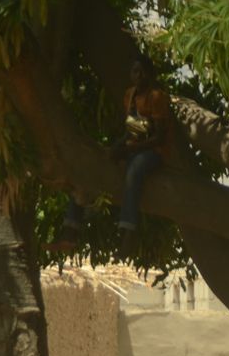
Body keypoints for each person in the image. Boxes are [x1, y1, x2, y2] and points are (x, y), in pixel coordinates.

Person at [49, 53, 171, 256]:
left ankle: (128, 234)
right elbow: (133, 129)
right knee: (92, 166)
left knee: (134, 172)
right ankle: (71, 228)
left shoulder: (156, 97)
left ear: (150, 74)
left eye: (142, 71)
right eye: (135, 71)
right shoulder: (130, 95)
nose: (138, 75)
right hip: (133, 146)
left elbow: (158, 138)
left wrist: (129, 149)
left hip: (153, 152)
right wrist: (117, 147)